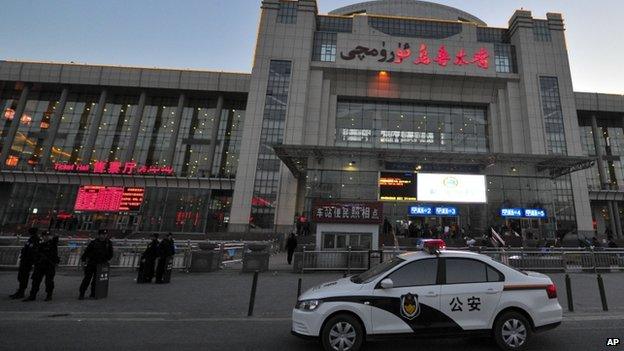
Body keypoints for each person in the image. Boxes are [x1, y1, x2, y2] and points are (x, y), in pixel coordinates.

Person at [24, 231, 59, 302]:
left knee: (49, 282)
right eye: (45, 236)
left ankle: (49, 295)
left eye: (48, 236)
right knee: (35, 281)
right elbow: (35, 254)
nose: (47, 237)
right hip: (40, 265)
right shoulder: (40, 244)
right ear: (42, 236)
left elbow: (55, 240)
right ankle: (32, 295)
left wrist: (56, 236)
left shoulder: (52, 244)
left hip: (49, 266)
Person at [79, 229, 113, 300]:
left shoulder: (108, 243)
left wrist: (105, 260)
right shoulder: (93, 243)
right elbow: (86, 252)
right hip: (92, 263)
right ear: (99, 235)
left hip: (101, 264)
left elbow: (111, 254)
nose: (104, 236)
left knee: (96, 280)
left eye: (105, 234)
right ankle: (82, 293)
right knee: (87, 279)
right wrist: (83, 260)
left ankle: (93, 294)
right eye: (102, 234)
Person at [10, 228, 40, 299]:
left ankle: (21, 292)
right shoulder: (31, 239)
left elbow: (33, 252)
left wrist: (32, 261)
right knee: (21, 276)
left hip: (28, 262)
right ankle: (20, 290)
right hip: (24, 260)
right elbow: (26, 249)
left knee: (24, 277)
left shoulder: (35, 240)